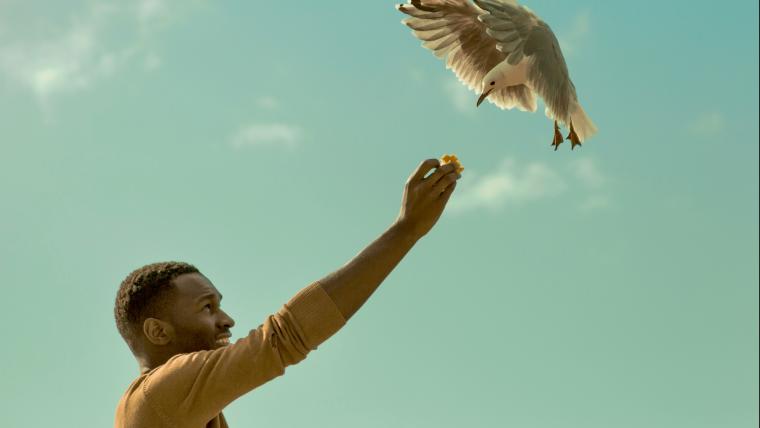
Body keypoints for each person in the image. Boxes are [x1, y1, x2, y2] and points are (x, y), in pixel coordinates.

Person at [113, 158, 461, 427]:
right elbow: (285, 336)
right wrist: (406, 231)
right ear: (158, 331)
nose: (227, 320)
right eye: (207, 308)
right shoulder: (162, 393)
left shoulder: (174, 407)